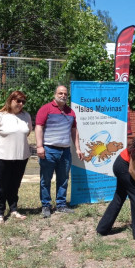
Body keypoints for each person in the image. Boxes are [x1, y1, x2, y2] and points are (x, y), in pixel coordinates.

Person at [35, 85, 83, 218]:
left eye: (65, 94)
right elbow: (38, 127)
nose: (63, 95)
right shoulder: (46, 109)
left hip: (65, 151)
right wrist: (40, 146)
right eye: (60, 93)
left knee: (63, 179)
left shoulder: (71, 112)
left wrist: (77, 148)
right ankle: (46, 205)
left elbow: (74, 131)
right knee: (46, 179)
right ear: (55, 94)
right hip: (48, 149)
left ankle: (61, 204)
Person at [0, 90, 32, 225]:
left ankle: (13, 209)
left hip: (21, 157)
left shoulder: (26, 116)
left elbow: (27, 133)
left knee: (14, 185)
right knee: (0, 186)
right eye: (18, 101)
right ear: (11, 100)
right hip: (1, 157)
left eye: (23, 102)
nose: (21, 104)